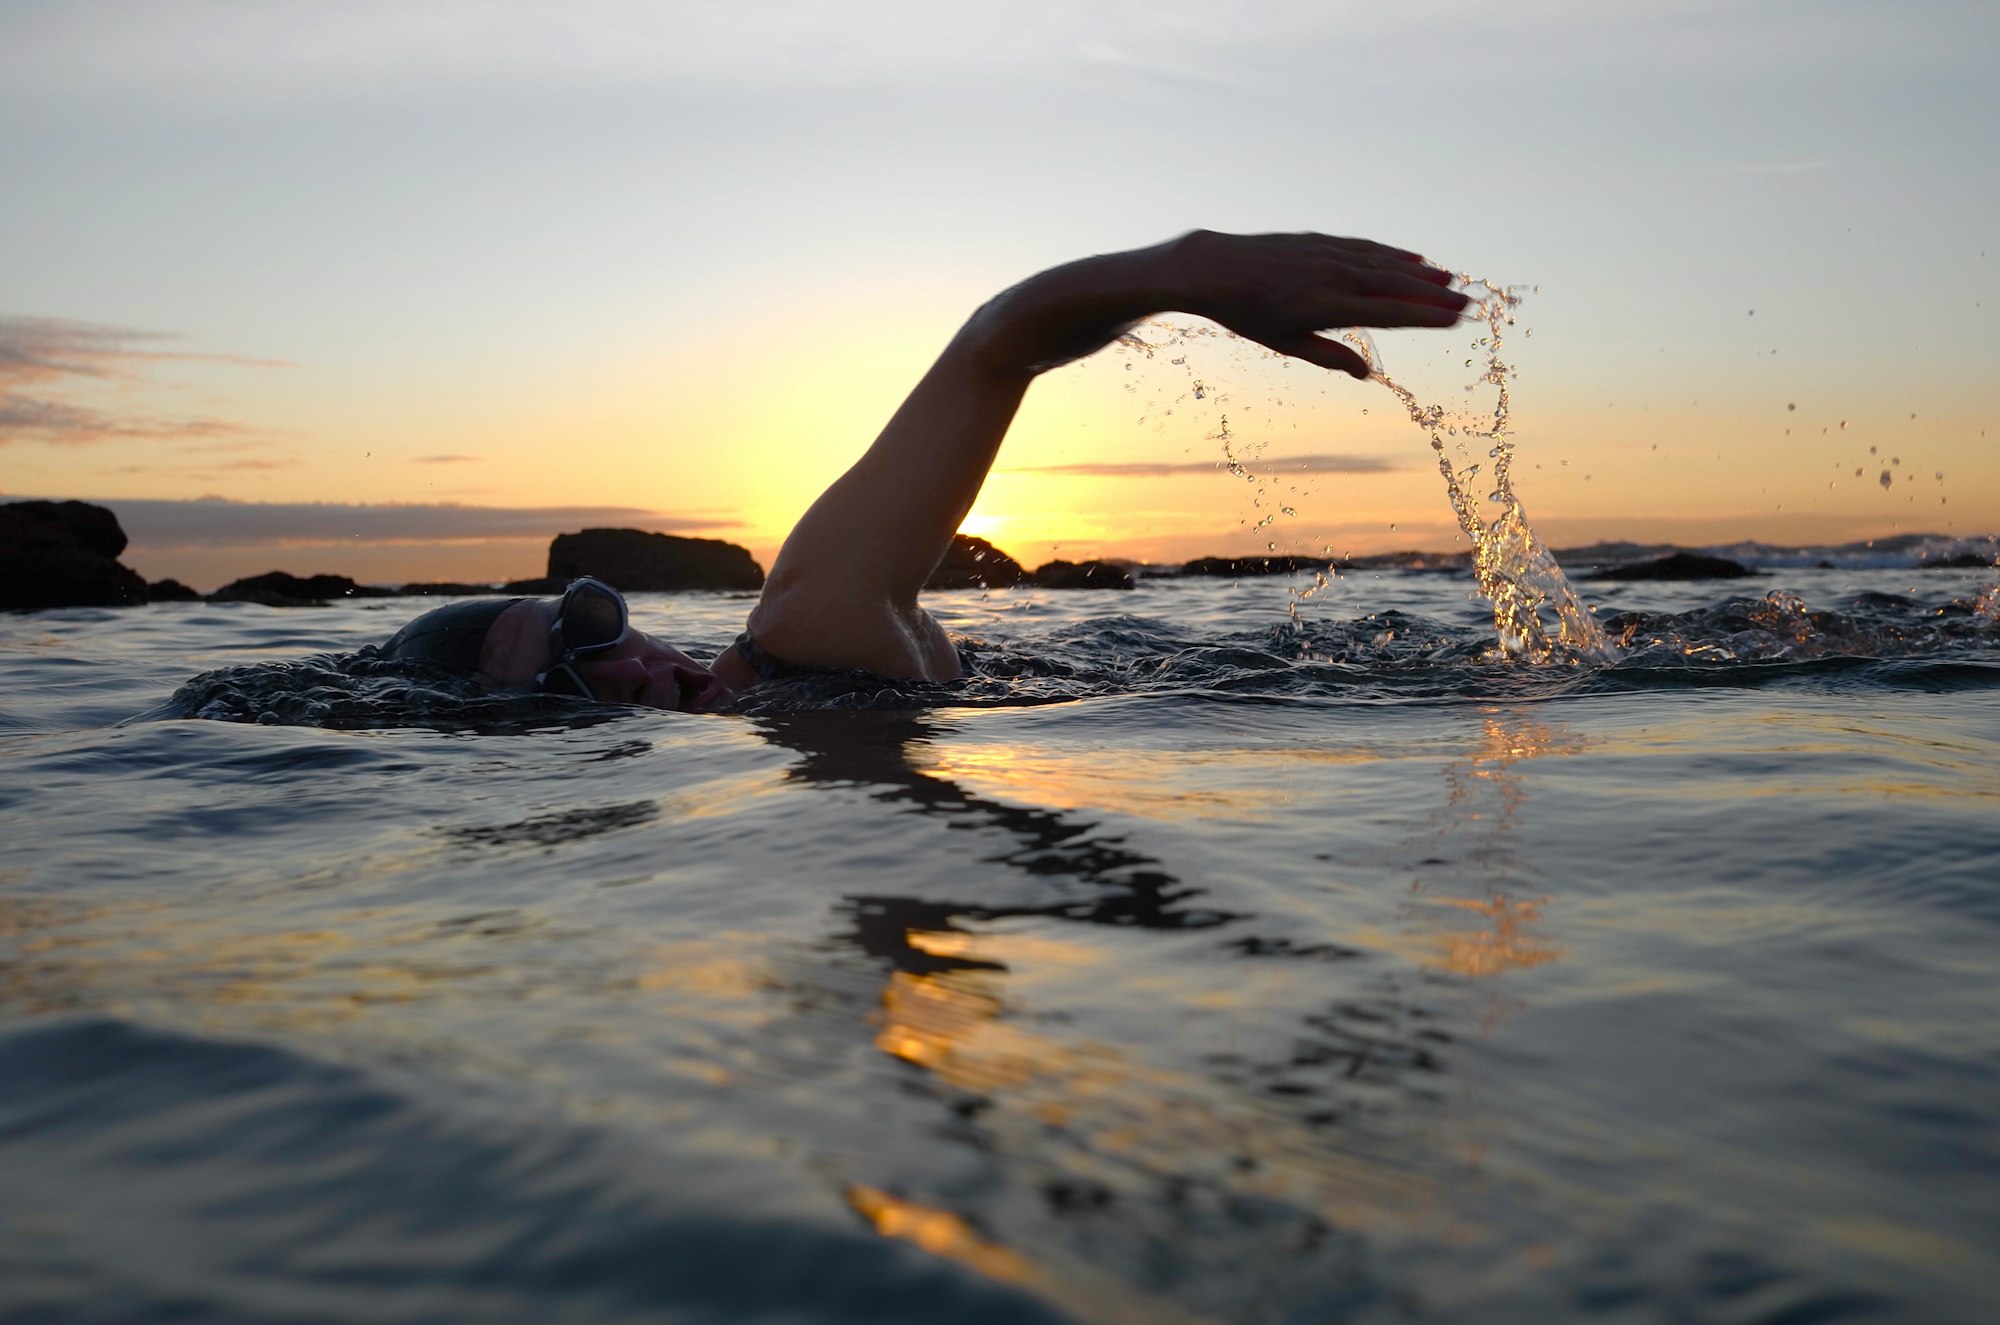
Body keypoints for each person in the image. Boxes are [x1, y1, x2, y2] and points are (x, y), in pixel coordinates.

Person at [380, 230, 1469, 710]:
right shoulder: (795, 702)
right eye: (568, 682)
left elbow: (995, 344)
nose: (623, 667)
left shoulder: (810, 625)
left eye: (595, 617)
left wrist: (1185, 270)